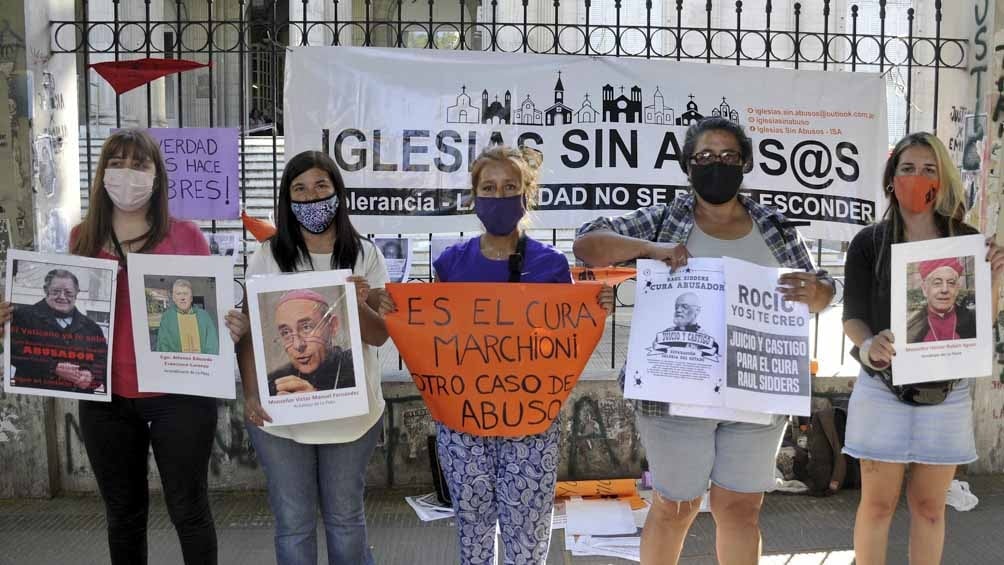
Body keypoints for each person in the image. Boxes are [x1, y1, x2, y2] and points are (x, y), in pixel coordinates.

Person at [573, 116, 834, 565]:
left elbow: (821, 289)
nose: (718, 164)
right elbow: (587, 244)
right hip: (676, 393)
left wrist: (821, 292)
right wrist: (652, 251)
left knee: (741, 510)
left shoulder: (775, 227)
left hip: (756, 392)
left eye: (729, 156)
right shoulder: (665, 219)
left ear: (746, 163)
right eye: (706, 157)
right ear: (687, 166)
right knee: (676, 507)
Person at [0, 128, 249, 565]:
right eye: (116, 163)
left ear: (157, 176)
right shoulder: (81, 237)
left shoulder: (187, 236)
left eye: (139, 164)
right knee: (123, 515)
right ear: (101, 174)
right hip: (105, 398)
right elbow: (64, 318)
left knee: (189, 511)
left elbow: (209, 312)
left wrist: (230, 323)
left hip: (181, 395)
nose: (126, 173)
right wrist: (17, 320)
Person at [385, 145, 614, 565]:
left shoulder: (550, 265)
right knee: (472, 527)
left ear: (527, 194)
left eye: (510, 186)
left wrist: (594, 306)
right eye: (489, 187)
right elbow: (438, 334)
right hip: (464, 422)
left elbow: (562, 337)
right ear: (475, 197)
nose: (499, 195)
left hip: (530, 421)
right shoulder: (451, 263)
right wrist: (393, 310)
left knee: (526, 532)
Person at [841, 132, 1004, 565]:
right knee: (876, 506)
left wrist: (995, 282)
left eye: (928, 169)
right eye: (907, 168)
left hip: (946, 394)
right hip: (881, 390)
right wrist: (869, 343)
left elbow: (974, 331)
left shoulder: (967, 243)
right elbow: (852, 317)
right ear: (891, 179)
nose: (917, 178)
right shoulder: (868, 243)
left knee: (930, 509)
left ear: (942, 180)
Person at [236, 150, 392, 565]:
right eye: (299, 189)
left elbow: (380, 336)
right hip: (283, 423)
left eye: (321, 186)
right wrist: (252, 393)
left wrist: (355, 302)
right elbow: (249, 332)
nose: (311, 198)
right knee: (293, 523)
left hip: (351, 418)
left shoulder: (366, 255)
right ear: (287, 201)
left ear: (338, 193)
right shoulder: (269, 256)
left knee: (345, 519)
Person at [9, 268, 107, 393]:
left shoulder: (92, 328)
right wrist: (53, 367)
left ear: (77, 293)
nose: (62, 297)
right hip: (37, 397)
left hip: (78, 400)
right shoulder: (23, 317)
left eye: (68, 292)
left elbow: (103, 360)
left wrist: (91, 375)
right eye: (56, 291)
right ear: (46, 290)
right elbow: (15, 352)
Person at [265, 289, 356, 395]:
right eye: (286, 332)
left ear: (332, 326)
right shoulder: (275, 381)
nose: (298, 345)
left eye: (306, 327)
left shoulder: (355, 365)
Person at [906, 257, 976, 343]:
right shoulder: (910, 330)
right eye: (937, 283)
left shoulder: (974, 321)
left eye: (951, 283)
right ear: (924, 289)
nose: (944, 290)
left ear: (957, 289)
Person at [155, 279, 220, 354]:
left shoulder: (204, 316)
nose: (182, 298)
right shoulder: (167, 318)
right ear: (173, 298)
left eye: (185, 293)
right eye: (178, 294)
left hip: (202, 364)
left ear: (191, 298)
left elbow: (212, 345)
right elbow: (163, 347)